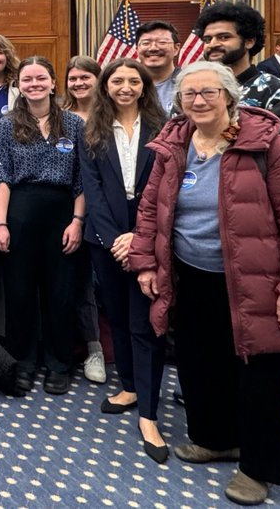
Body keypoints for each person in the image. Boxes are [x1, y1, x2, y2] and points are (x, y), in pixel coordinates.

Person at [129, 61, 280, 505]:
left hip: (256, 282)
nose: (198, 101)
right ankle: (215, 438)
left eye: (208, 93)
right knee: (202, 365)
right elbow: (150, 209)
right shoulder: (173, 145)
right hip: (192, 276)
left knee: (261, 377)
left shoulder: (268, 147)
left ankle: (259, 467)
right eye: (189, 94)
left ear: (230, 96)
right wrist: (145, 263)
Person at [79, 58, 169, 463]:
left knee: (144, 322)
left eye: (134, 81)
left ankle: (149, 413)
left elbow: (164, 187)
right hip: (106, 239)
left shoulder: (164, 127)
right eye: (118, 80)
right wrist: (116, 238)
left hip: (150, 237)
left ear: (144, 86)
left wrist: (138, 238)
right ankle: (130, 385)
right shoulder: (92, 130)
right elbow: (92, 190)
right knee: (116, 315)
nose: (126, 87)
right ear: (106, 86)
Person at [0, 56, 85, 396]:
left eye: (40, 78)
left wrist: (77, 221)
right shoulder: (6, 124)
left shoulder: (73, 123)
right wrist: (0, 223)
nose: (34, 84)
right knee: (19, 292)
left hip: (62, 214)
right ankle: (24, 362)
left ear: (52, 82)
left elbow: (81, 179)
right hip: (20, 211)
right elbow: (2, 175)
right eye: (27, 79)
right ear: (19, 84)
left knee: (60, 292)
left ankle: (59, 363)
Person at [197, 1, 280, 168]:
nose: (213, 44)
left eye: (224, 37)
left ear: (249, 42)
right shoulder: (194, 89)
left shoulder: (276, 91)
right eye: (207, 39)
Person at [62, 55, 106, 385]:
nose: (78, 84)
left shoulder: (110, 115)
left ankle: (101, 347)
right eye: (72, 78)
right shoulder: (61, 118)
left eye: (84, 78)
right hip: (69, 209)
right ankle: (85, 347)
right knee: (79, 279)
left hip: (106, 208)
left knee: (103, 281)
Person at [135, 21, 182, 115]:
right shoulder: (127, 85)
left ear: (176, 49)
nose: (153, 48)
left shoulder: (187, 83)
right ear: (137, 49)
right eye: (146, 43)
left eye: (162, 42)